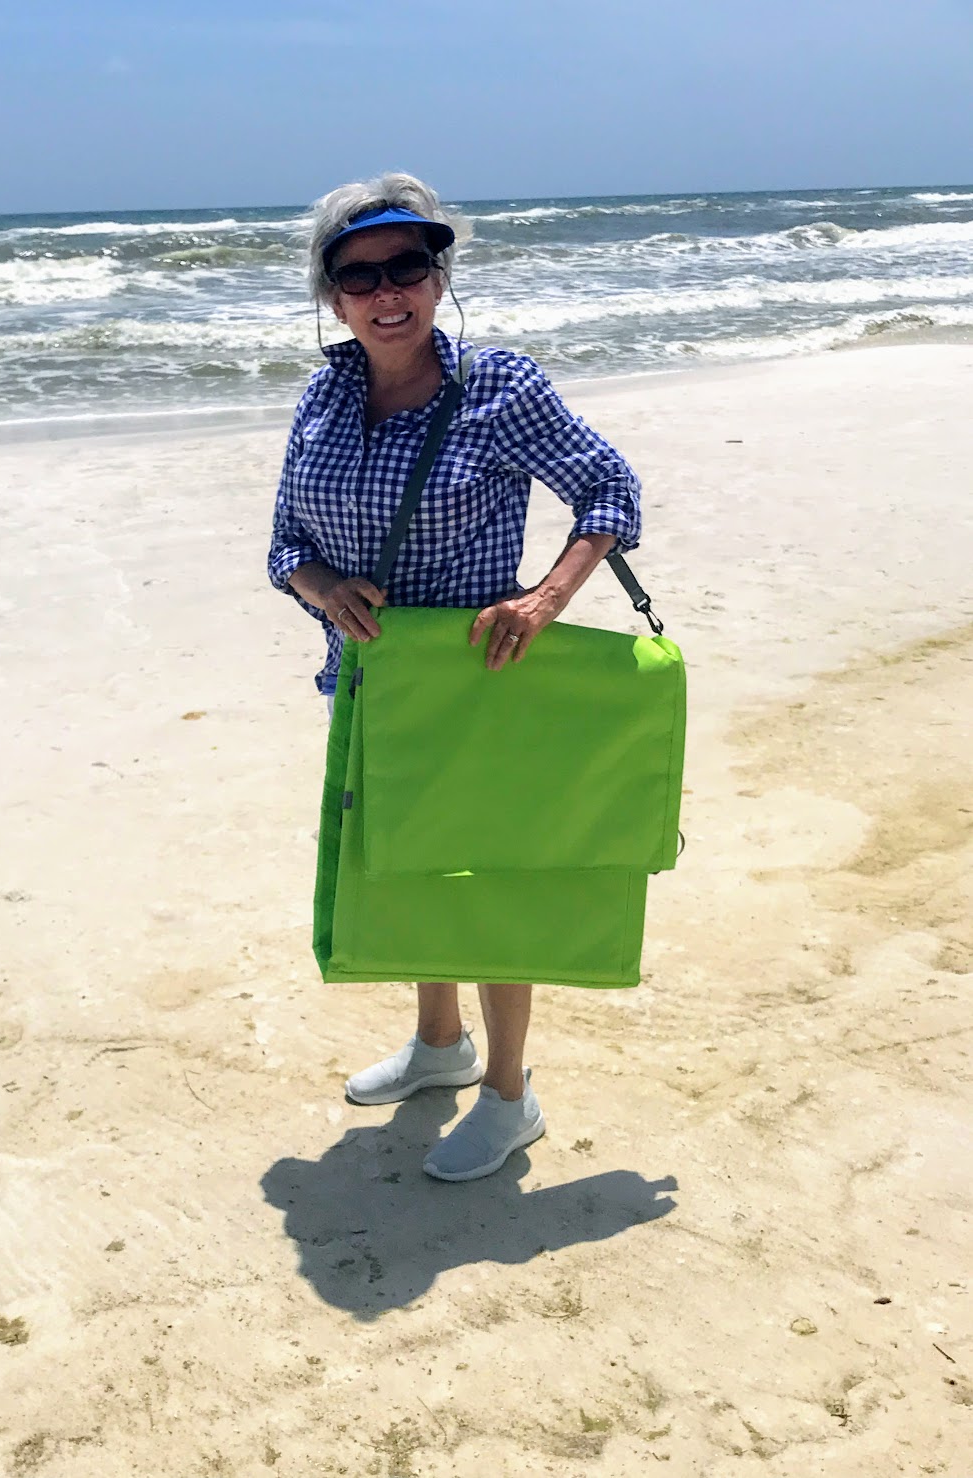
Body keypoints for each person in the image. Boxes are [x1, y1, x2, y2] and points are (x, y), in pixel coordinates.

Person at [268, 173, 641, 1182]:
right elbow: (282, 544)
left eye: (409, 267)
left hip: (481, 679)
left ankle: (510, 1095)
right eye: (361, 274)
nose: (388, 291)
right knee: (407, 859)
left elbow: (609, 486)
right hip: (374, 684)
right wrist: (323, 586)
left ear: (438, 277)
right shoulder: (324, 391)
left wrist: (546, 597)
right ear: (332, 295)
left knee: (484, 881)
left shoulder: (499, 387)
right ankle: (441, 1044)